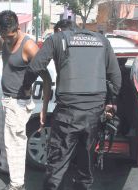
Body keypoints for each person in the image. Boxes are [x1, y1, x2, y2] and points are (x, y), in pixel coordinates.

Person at [22, 20, 122, 190]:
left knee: (58, 164)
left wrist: (26, 88)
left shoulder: (56, 39)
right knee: (86, 163)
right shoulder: (102, 41)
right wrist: (111, 103)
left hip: (68, 114)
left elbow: (34, 68)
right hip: (94, 114)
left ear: (60, 30)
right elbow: (116, 79)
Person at [0, 10, 51, 190]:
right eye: (4, 37)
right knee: (2, 137)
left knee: (16, 144)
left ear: (17, 28)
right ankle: (6, 167)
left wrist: (44, 107)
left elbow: (46, 78)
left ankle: (17, 184)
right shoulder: (4, 39)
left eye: (11, 36)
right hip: (6, 99)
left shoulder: (29, 47)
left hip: (19, 103)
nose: (8, 40)